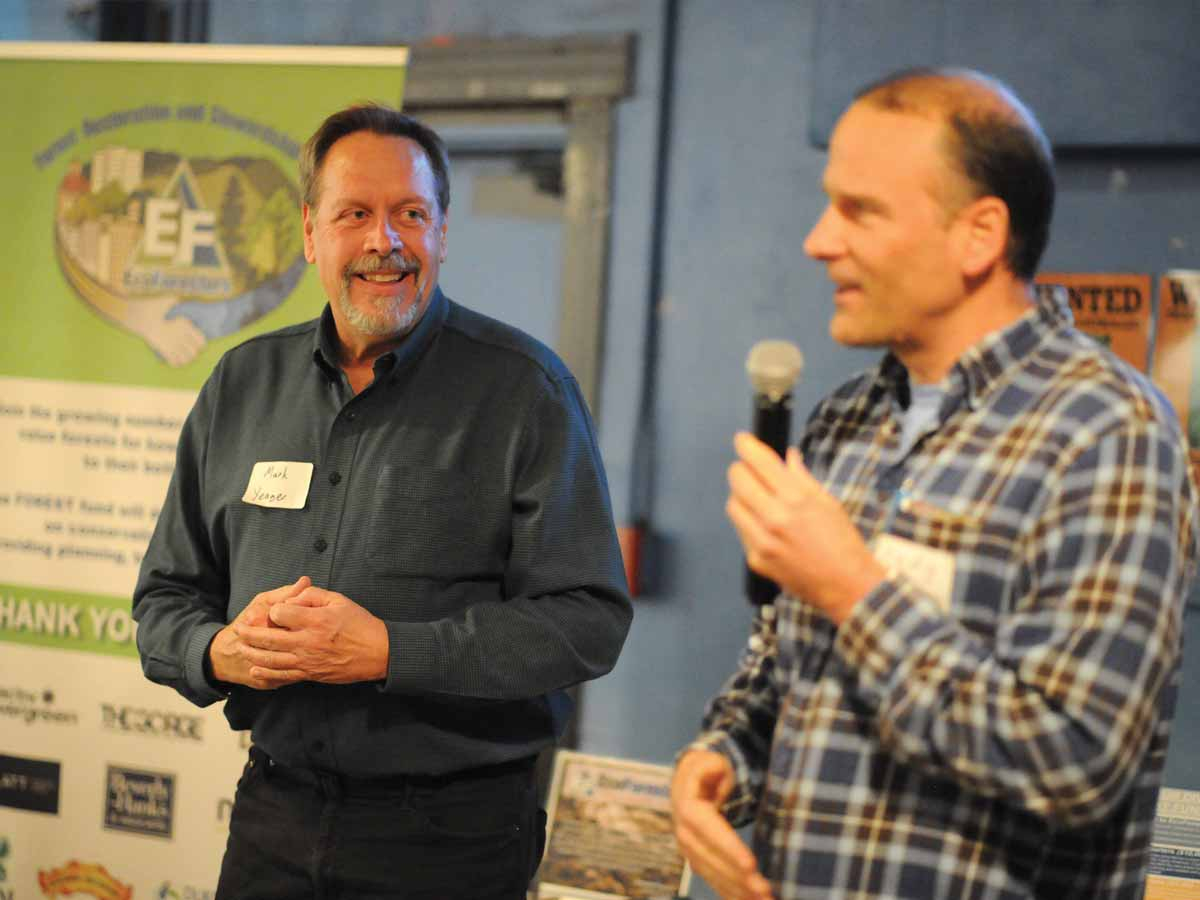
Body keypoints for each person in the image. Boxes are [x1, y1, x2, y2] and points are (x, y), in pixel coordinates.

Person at [671, 68, 1199, 900]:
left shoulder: (1108, 429)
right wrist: (720, 759)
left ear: (979, 235)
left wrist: (852, 586)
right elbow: (784, 671)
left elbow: (1077, 761)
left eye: (861, 210)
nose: (817, 240)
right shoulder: (847, 418)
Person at [133, 104, 632, 900]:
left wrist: (391, 652)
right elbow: (163, 599)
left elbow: (587, 622)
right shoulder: (242, 383)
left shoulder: (522, 390)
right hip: (273, 817)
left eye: (410, 214)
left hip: (454, 838)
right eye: (355, 214)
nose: (383, 241)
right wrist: (218, 652)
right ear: (310, 232)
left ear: (441, 233)